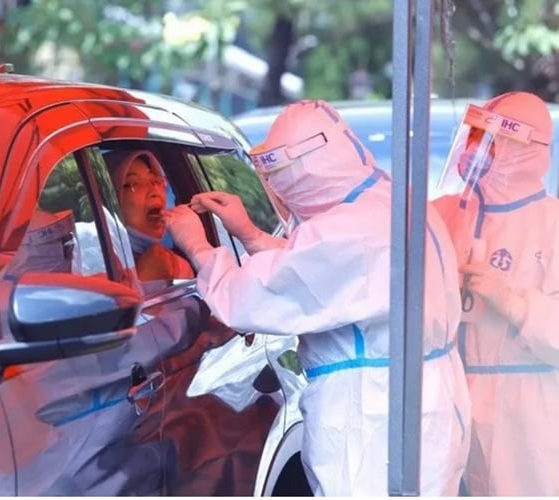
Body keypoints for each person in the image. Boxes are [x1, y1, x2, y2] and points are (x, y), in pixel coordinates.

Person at [164, 99, 471, 496]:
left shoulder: (350, 231)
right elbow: (323, 277)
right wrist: (253, 237)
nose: (276, 188)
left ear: (303, 170)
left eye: (277, 176)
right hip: (421, 404)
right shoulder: (392, 202)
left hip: (370, 418)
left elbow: (250, 299)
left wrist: (198, 247)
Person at [433, 91, 559, 496]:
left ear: (523, 149)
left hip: (527, 411)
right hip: (447, 396)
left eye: (487, 140)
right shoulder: (443, 215)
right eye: (471, 136)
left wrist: (515, 304)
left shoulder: (552, 224)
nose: (473, 151)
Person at [105, 149, 194, 281]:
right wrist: (147, 280)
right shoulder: (93, 266)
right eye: (135, 183)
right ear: (110, 201)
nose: (155, 191)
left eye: (156, 181)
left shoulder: (178, 267)